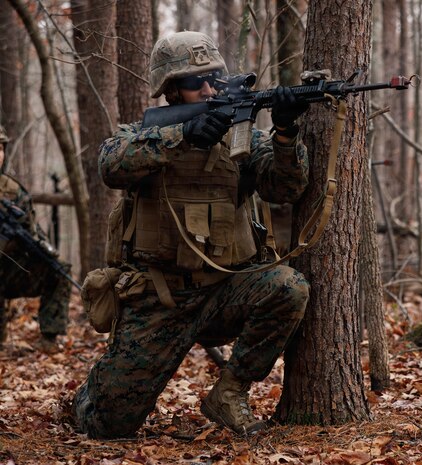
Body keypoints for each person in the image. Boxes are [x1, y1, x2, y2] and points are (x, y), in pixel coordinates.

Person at [72, 31, 311, 439]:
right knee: (105, 426)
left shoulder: (243, 138)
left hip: (226, 291)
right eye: (191, 81)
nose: (205, 87)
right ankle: (93, 391)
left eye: (213, 77)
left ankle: (230, 392)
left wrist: (286, 134)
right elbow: (111, 164)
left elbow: (285, 189)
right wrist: (183, 136)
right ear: (169, 90)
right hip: (159, 298)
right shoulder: (144, 135)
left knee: (288, 286)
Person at [0, 124, 71, 352]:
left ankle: (49, 339)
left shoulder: (12, 192)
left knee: (57, 269)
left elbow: (32, 233)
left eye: (0, 148)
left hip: (8, 268)